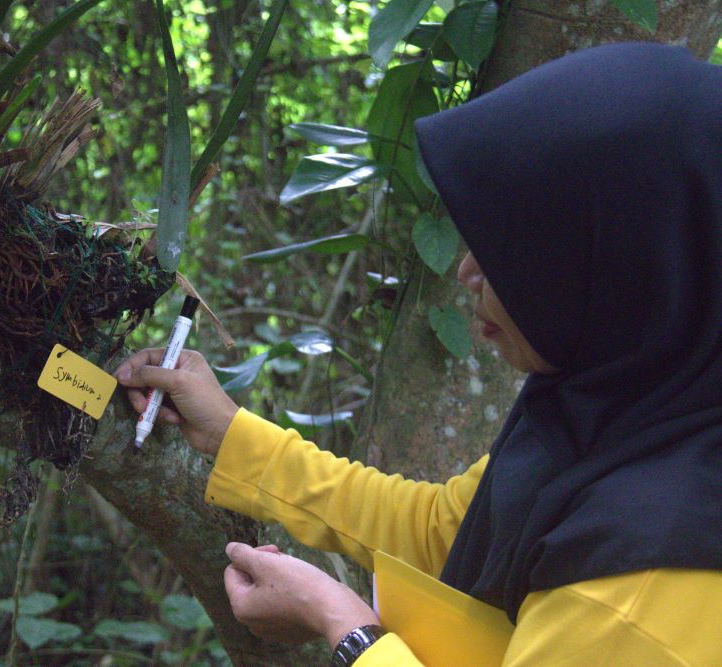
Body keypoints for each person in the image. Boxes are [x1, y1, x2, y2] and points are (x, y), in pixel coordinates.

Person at [115, 42, 722, 665]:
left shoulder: (642, 588)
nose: (467, 271)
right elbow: (442, 530)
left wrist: (342, 625)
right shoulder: (618, 410)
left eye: (512, 254)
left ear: (620, 270)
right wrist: (232, 436)